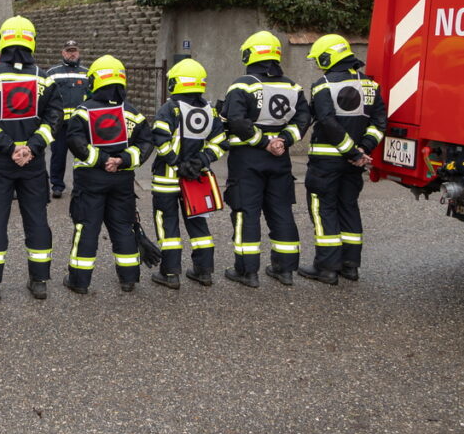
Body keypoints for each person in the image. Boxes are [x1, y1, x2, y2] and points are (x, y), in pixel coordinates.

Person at [0, 16, 63, 302]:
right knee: (37, 219)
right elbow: (54, 119)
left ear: (4, 41)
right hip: (33, 163)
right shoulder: (45, 78)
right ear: (31, 42)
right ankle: (39, 282)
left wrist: (9, 148)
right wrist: (31, 148)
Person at [222, 31, 311, 288]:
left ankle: (247, 272)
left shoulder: (242, 85)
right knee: (281, 211)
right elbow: (303, 119)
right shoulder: (293, 87)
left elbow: (236, 121)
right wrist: (283, 140)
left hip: (247, 160)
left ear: (249, 55)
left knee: (246, 213)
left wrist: (263, 142)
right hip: (280, 159)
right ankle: (285, 270)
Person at [63, 55, 153, 294]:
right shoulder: (132, 113)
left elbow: (75, 141)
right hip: (122, 181)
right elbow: (146, 143)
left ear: (95, 80)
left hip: (90, 180)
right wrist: (122, 160)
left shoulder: (83, 111)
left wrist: (103, 161)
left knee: (87, 228)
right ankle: (129, 279)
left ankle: (79, 282)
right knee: (123, 226)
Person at [300, 34, 386, 284]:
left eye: (319, 59)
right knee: (348, 207)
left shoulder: (323, 84)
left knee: (323, 210)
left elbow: (327, 122)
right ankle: (350, 267)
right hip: (353, 164)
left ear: (328, 57)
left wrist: (352, 152)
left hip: (326, 164)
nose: (319, 65)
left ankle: (326, 268)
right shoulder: (371, 85)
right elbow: (379, 123)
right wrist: (362, 149)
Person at [150, 58, 228, 288]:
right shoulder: (209, 110)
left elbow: (160, 140)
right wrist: (200, 161)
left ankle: (170, 274)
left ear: (177, 82)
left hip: (167, 178)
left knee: (168, 224)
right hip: (196, 178)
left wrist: (177, 163)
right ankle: (204, 271)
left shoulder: (169, 108)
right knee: (198, 223)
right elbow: (220, 142)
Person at [46, 40, 89, 199]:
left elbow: (92, 97)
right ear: (63, 53)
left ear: (79, 52)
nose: (72, 54)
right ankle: (57, 186)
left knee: (82, 156)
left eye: (74, 51)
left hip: (80, 125)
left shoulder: (87, 73)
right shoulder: (53, 73)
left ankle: (80, 185)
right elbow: (47, 98)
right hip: (60, 125)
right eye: (69, 51)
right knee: (58, 156)